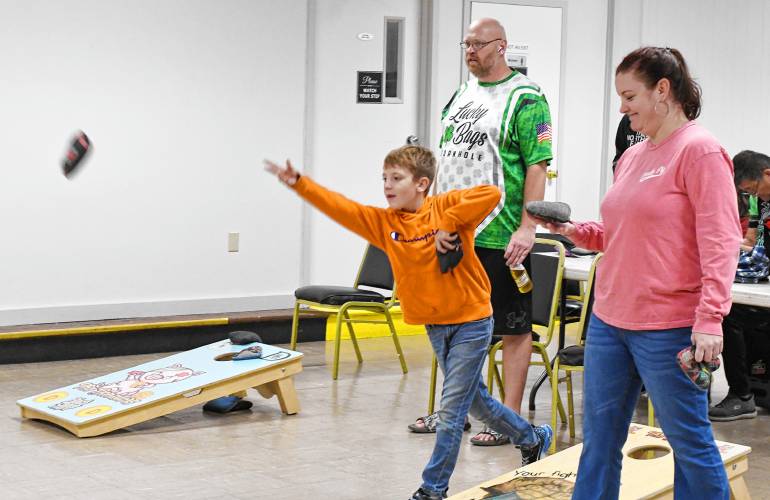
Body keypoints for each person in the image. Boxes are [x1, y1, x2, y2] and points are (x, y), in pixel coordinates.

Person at [264, 145, 551, 500]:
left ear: (422, 183)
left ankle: (433, 488)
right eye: (384, 178)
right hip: (436, 326)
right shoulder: (385, 224)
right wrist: (300, 184)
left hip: (472, 320)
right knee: (475, 403)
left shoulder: (445, 208)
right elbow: (342, 208)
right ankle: (532, 438)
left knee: (450, 411)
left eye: (396, 178)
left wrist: (447, 223)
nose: (387, 185)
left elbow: (491, 193)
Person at [534, 47, 741, 499]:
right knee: (599, 442)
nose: (623, 108)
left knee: (689, 445)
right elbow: (621, 233)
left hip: (669, 327)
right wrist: (574, 231)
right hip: (610, 320)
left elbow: (722, 241)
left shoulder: (700, 151)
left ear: (663, 90)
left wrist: (710, 320)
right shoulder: (633, 156)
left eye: (630, 96)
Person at [409, 17, 552, 447]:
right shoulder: (461, 94)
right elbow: (446, 160)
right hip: (454, 233)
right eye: (465, 44)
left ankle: (506, 420)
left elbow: (537, 166)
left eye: (478, 44)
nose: (470, 51)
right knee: (449, 325)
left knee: (512, 327)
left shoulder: (526, 98)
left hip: (500, 234)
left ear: (502, 46)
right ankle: (456, 408)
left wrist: (528, 226)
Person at [710, 150, 770, 421]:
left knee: (728, 313)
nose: (753, 197)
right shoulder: (762, 203)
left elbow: (759, 259)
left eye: (754, 188)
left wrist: (720, 263)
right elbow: (752, 243)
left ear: (767, 174)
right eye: (748, 193)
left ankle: (742, 395)